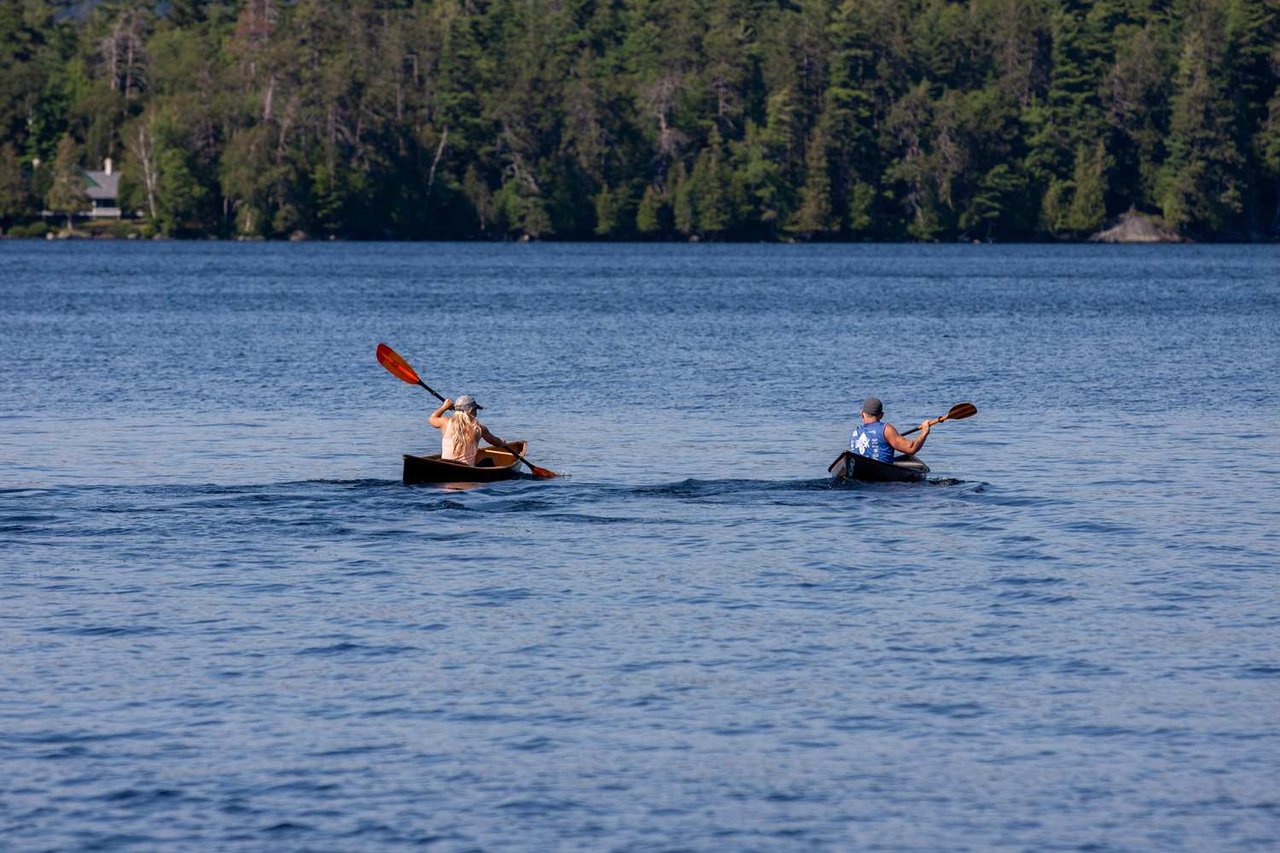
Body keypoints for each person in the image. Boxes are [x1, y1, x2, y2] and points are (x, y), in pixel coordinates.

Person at [428, 395, 509, 466]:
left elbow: (432, 419)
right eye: (475, 410)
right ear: (471, 411)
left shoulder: (445, 422)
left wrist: (444, 407)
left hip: (445, 464)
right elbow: (496, 442)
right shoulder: (479, 428)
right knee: (488, 461)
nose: (476, 413)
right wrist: (503, 442)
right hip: (466, 468)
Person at [850, 397, 930, 462]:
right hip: (880, 476)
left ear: (862, 414)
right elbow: (911, 448)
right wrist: (924, 432)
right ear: (881, 415)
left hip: (860, 471)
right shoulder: (886, 430)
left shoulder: (856, 432)